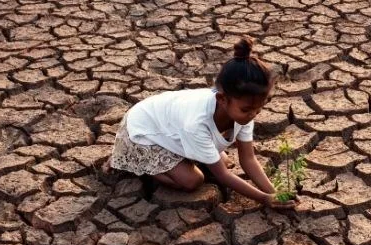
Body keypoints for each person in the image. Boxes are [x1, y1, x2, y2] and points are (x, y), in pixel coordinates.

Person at [108, 37, 295, 209]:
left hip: (171, 126)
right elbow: (222, 176)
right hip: (142, 131)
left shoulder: (243, 111)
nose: (253, 115)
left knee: (222, 161)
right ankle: (136, 163)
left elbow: (248, 159)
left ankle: (184, 156)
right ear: (222, 99)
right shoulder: (197, 123)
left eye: (259, 109)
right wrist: (263, 198)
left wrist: (275, 193)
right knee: (193, 180)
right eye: (247, 110)